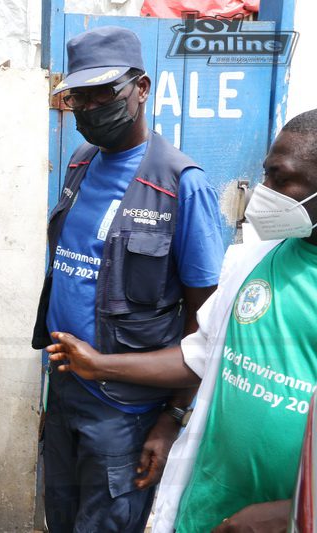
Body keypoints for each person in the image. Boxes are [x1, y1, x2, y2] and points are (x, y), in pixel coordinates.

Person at [48, 110, 317, 532]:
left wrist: (296, 512)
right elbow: (201, 354)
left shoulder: (179, 183)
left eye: (280, 179)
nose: (265, 192)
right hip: (207, 504)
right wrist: (101, 367)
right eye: (265, 175)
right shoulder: (253, 260)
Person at [31, 26, 225, 532]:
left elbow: (205, 325)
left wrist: (172, 419)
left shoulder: (182, 185)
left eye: (105, 93)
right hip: (66, 391)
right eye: (79, 97)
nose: (91, 108)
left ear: (141, 87)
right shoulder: (79, 164)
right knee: (62, 518)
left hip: (126, 413)